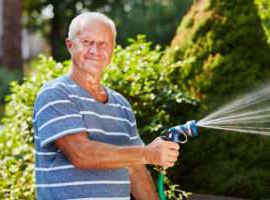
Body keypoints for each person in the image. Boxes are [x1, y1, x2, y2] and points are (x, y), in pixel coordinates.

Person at [33, 12, 180, 200]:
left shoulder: (121, 105)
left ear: (112, 50)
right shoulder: (55, 94)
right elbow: (81, 154)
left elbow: (135, 170)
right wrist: (148, 154)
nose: (95, 50)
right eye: (87, 42)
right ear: (70, 45)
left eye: (103, 43)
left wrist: (144, 157)